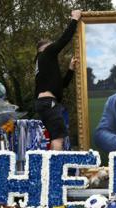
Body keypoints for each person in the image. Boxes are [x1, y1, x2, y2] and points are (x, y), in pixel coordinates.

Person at [34, 10, 81, 150]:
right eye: (51, 46)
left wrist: (71, 69)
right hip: (48, 103)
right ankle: (56, 171)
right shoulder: (45, 53)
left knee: (55, 136)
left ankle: (52, 169)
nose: (53, 47)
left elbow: (63, 85)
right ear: (45, 48)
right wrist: (75, 19)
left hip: (45, 103)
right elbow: (63, 40)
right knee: (58, 138)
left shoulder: (42, 64)